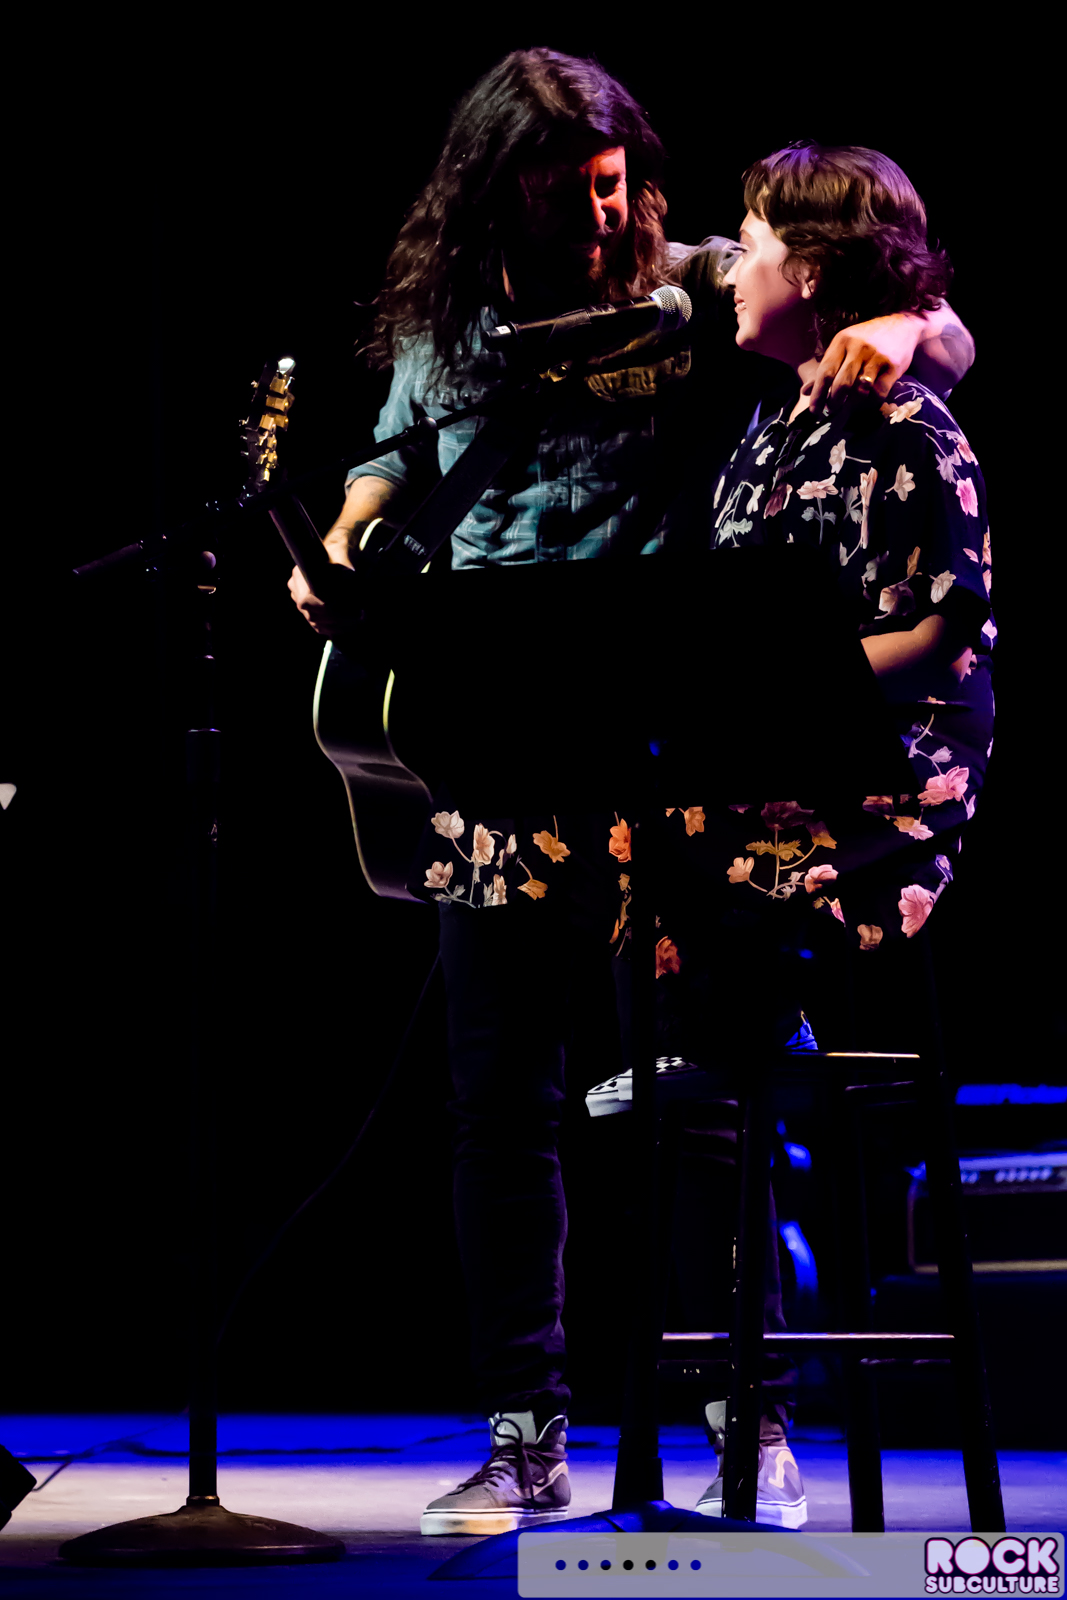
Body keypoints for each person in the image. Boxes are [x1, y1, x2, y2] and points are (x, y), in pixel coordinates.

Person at [287, 52, 975, 1535]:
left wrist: (906, 326)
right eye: (568, 196)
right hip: (495, 727)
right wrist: (339, 543)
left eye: (614, 187)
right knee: (498, 1100)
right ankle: (524, 1438)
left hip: (671, 745)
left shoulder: (691, 283)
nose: (602, 218)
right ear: (498, 198)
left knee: (701, 1092)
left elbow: (924, 316)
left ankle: (749, 1419)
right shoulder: (452, 323)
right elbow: (384, 466)